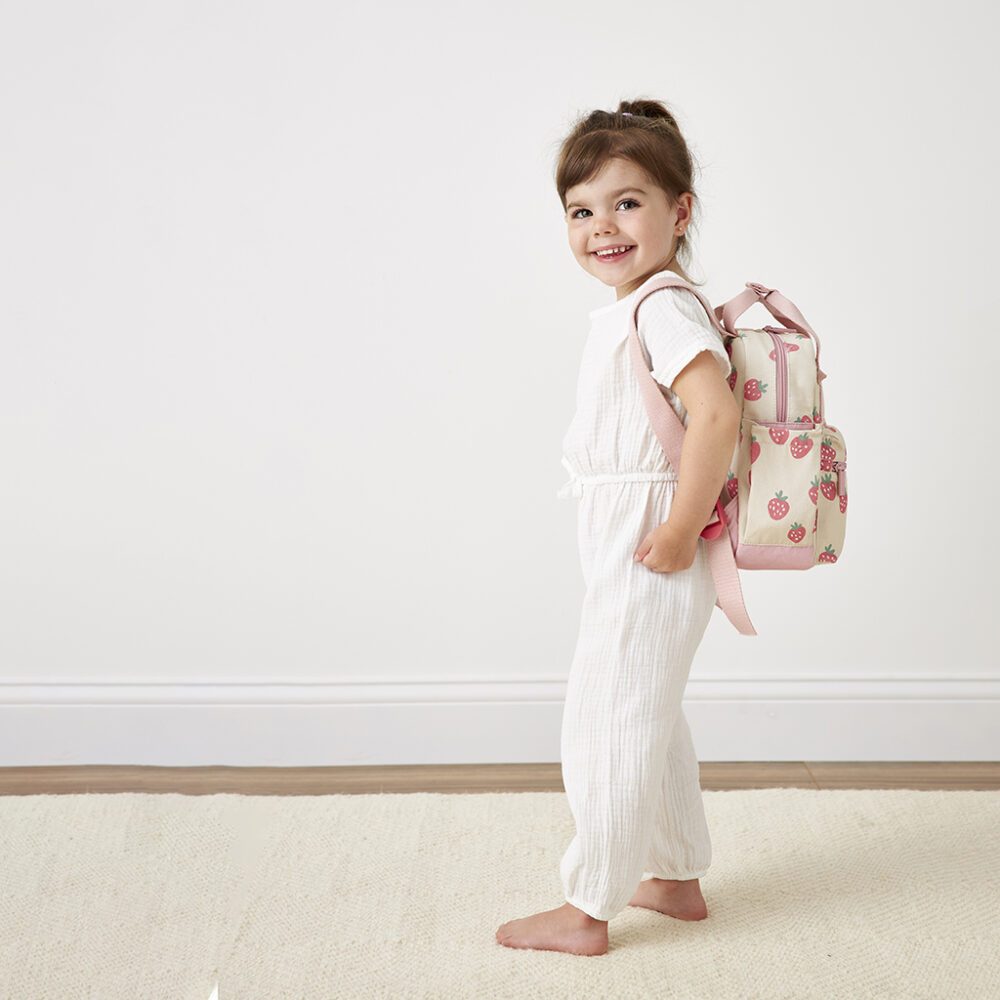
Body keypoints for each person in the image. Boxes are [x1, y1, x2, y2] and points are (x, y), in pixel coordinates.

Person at [495, 99, 740, 956]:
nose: (602, 226)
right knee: (649, 713)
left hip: (652, 544)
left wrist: (677, 530)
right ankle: (672, 876)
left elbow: (716, 418)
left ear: (680, 210)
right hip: (632, 541)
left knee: (605, 718)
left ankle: (587, 905)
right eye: (581, 210)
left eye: (627, 203)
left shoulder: (664, 308)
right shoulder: (637, 305)